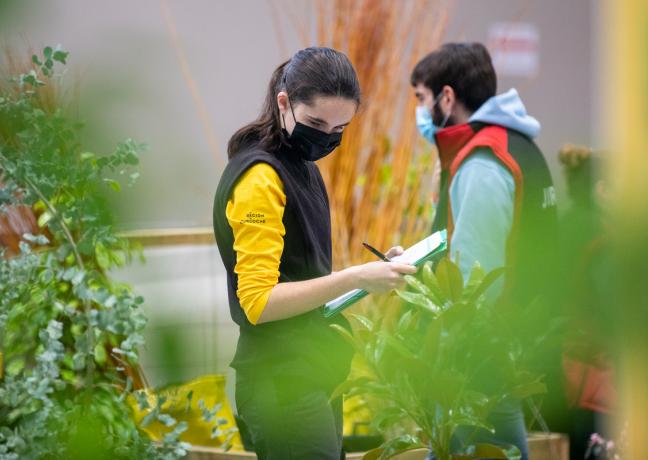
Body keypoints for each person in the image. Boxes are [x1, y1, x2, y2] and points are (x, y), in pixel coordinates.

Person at [213, 47, 417, 460]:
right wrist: (356, 277)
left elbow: (298, 275)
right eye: (316, 124)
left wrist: (378, 273)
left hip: (310, 375)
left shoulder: (302, 167)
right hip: (282, 386)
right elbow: (258, 302)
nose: (326, 138)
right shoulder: (260, 178)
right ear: (283, 102)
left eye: (339, 128)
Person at [411, 42, 560, 459]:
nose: (419, 113)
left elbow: (476, 276)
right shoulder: (519, 145)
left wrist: (454, 352)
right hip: (513, 342)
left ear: (447, 97)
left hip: (480, 353)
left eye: (421, 99)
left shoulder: (482, 161)